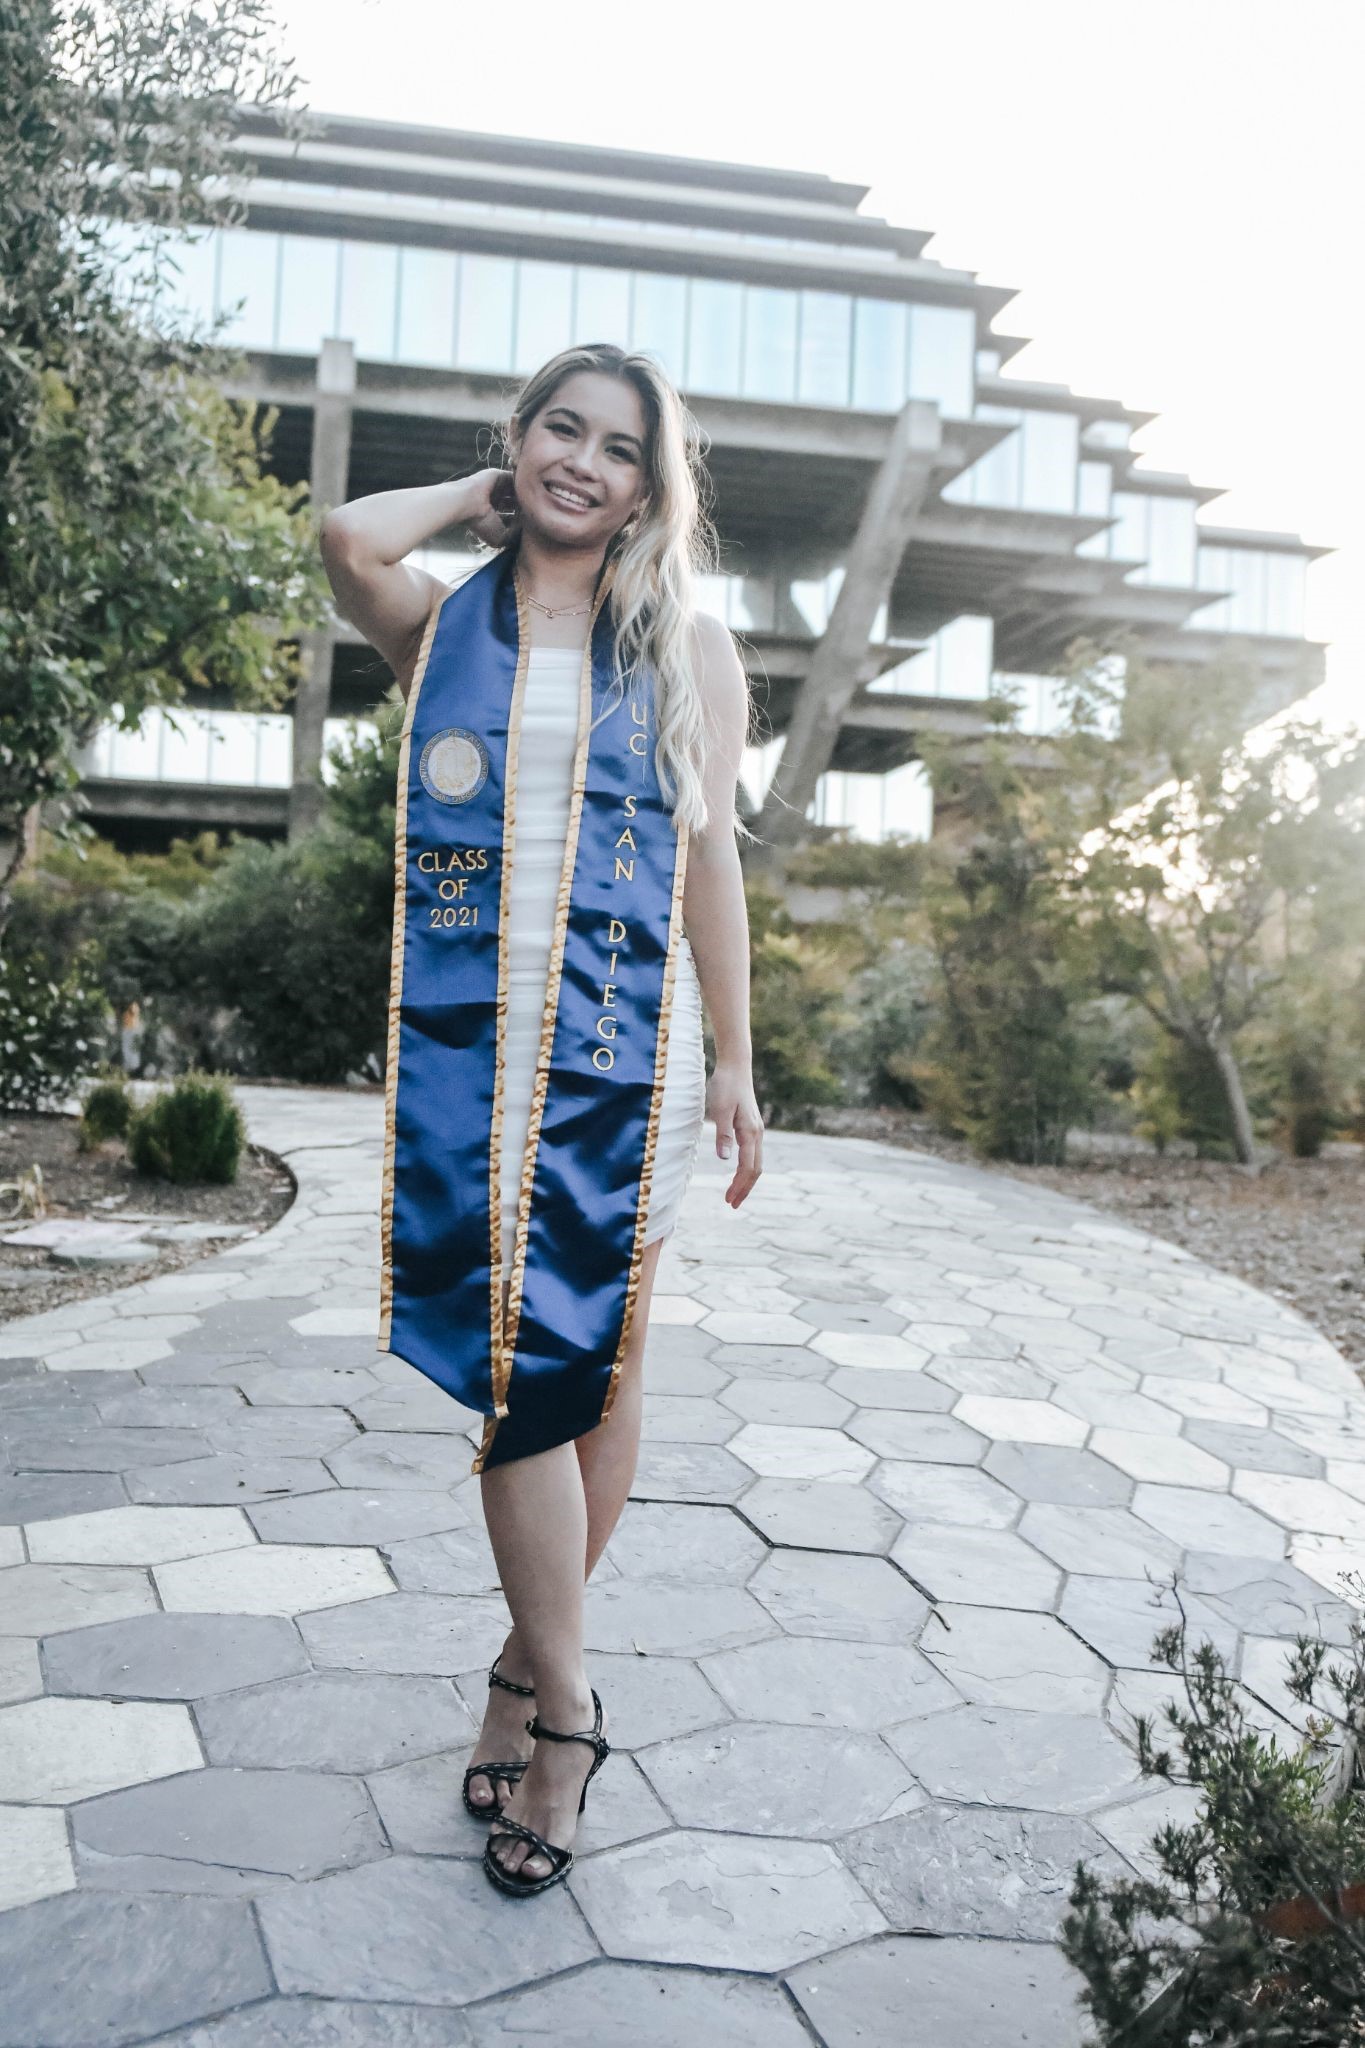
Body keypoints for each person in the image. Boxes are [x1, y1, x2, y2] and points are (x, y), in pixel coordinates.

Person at [319, 342, 763, 1897]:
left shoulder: (687, 648)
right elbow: (348, 540)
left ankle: (522, 1672)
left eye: (618, 448)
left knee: (604, 1363)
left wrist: (737, 1062)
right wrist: (484, 499)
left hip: (630, 1049)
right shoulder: (447, 625)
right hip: (476, 1040)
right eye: (559, 432)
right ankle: (571, 1715)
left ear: (654, 484)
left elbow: (711, 867)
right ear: (519, 443)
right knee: (519, 1364)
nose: (586, 462)